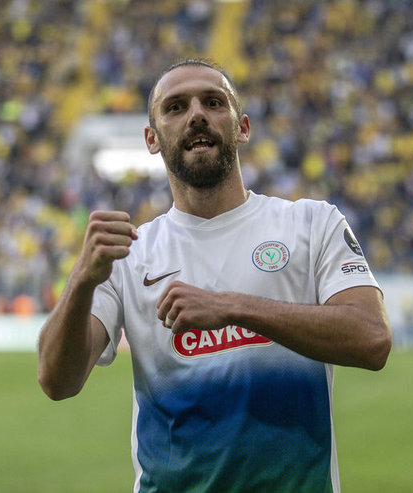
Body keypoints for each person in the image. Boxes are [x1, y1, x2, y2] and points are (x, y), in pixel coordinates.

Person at [38, 58, 392, 493]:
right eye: (175, 107)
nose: (196, 115)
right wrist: (81, 279)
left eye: (213, 102)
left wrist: (231, 306)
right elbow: (57, 381)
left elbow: (372, 339)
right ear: (152, 139)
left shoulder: (313, 223)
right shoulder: (129, 254)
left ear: (242, 127)